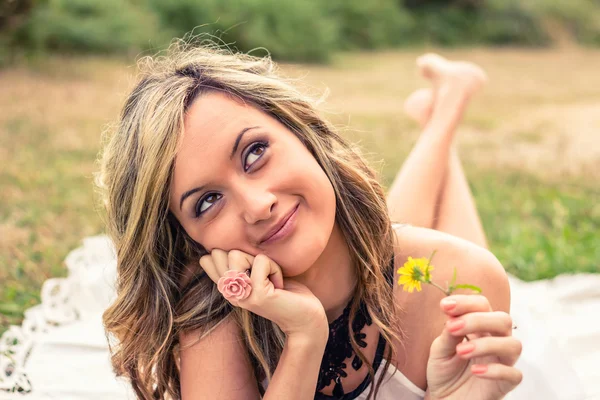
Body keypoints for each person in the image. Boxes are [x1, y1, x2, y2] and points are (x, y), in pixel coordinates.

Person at [97, 42, 522, 400]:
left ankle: (446, 108)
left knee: (422, 257)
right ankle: (445, 107)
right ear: (189, 239)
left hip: (439, 273)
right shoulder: (213, 314)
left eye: (254, 152)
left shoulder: (463, 282)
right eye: (207, 201)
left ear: (302, 133)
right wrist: (304, 337)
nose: (258, 204)